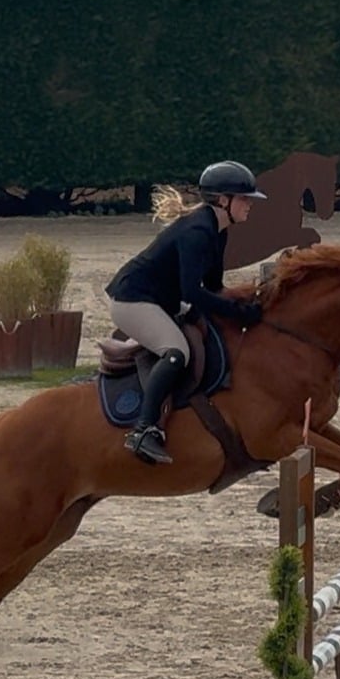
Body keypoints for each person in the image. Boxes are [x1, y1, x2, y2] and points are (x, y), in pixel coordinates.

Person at [106, 160, 267, 465]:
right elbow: (192, 293)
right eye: (245, 199)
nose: (250, 205)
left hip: (162, 298)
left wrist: (248, 303)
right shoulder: (197, 231)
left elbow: (214, 286)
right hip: (132, 300)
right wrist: (237, 311)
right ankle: (143, 430)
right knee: (176, 352)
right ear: (223, 200)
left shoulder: (218, 230)